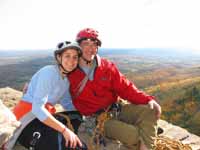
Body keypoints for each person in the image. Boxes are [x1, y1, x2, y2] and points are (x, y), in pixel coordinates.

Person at [67, 28, 162, 150]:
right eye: (86, 44)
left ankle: (146, 145)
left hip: (116, 109)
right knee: (134, 135)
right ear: (78, 47)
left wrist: (148, 100)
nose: (90, 49)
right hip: (98, 120)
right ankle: (145, 138)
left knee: (151, 110)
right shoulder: (70, 72)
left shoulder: (106, 67)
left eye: (94, 45)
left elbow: (125, 87)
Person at [7, 41, 87, 150]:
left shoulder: (65, 81)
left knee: (77, 117)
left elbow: (67, 104)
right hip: (25, 120)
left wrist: (83, 118)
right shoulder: (49, 72)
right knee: (73, 147)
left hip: (41, 118)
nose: (71, 61)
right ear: (59, 58)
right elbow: (37, 108)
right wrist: (64, 130)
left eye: (75, 57)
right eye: (67, 56)